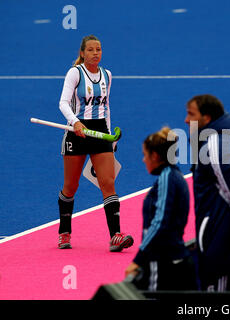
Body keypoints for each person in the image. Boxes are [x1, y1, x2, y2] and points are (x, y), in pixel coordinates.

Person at [57, 34, 133, 252]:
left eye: (98, 49)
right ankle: (64, 232)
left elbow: (106, 107)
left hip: (100, 133)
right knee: (71, 187)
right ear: (82, 53)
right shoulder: (75, 73)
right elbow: (63, 103)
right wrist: (75, 122)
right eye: (90, 50)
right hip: (77, 133)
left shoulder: (107, 75)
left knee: (108, 184)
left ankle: (115, 236)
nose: (95, 53)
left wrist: (109, 137)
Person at [185, 94, 230, 291]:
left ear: (207, 118)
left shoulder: (215, 142)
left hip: (222, 237)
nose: (186, 120)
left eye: (191, 114)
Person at [124, 127, 197, 291]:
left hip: (163, 260)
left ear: (155, 156)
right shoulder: (176, 176)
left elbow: (159, 222)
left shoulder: (167, 178)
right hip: (173, 257)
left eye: (145, 155)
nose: (143, 160)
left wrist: (138, 259)